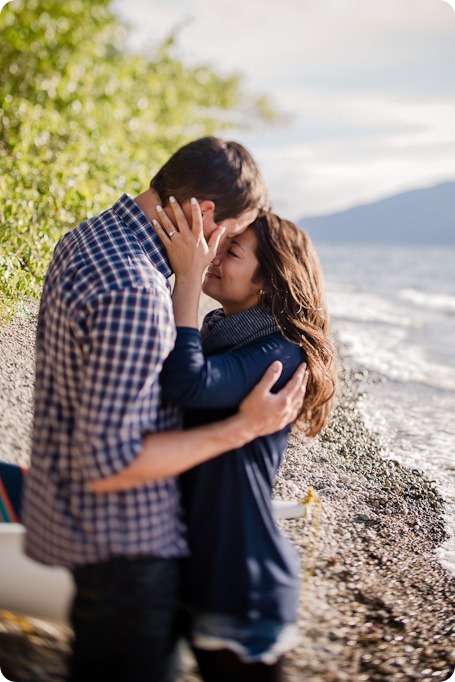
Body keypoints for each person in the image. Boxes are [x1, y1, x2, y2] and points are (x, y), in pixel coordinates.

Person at [22, 136, 308, 682]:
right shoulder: (137, 290)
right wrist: (243, 428)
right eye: (227, 232)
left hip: (91, 538)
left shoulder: (89, 236)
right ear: (203, 214)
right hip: (128, 546)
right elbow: (110, 464)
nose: (219, 249)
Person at [93, 201, 336, 681]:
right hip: (192, 569)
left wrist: (186, 279)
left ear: (267, 280)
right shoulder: (219, 335)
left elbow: (188, 383)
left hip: (241, 584)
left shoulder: (280, 353)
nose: (213, 259)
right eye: (218, 248)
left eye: (233, 253)